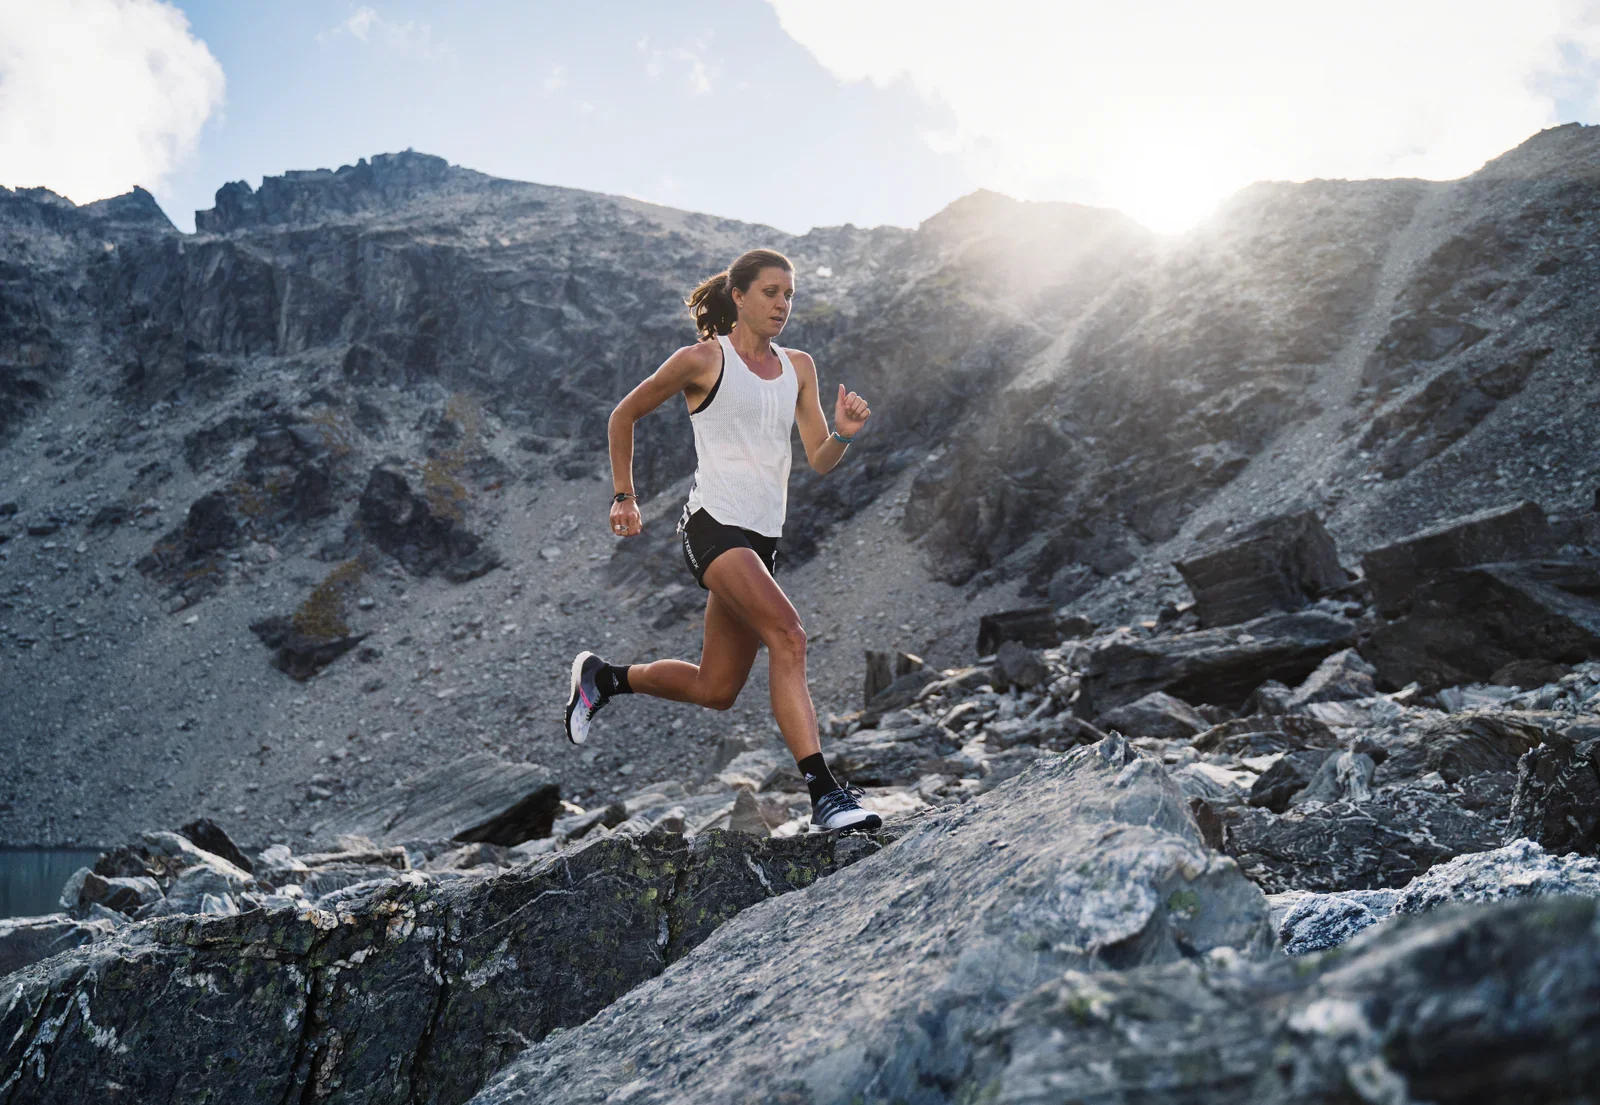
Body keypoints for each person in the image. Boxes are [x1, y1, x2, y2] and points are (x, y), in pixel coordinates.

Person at [564, 248, 880, 832]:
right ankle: (826, 795)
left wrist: (844, 434)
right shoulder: (702, 360)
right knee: (789, 636)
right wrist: (624, 496)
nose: (783, 303)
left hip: (762, 541)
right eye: (770, 292)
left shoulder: (799, 367)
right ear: (738, 296)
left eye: (790, 294)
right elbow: (622, 415)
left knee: (716, 689)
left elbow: (819, 459)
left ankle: (605, 678)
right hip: (711, 526)